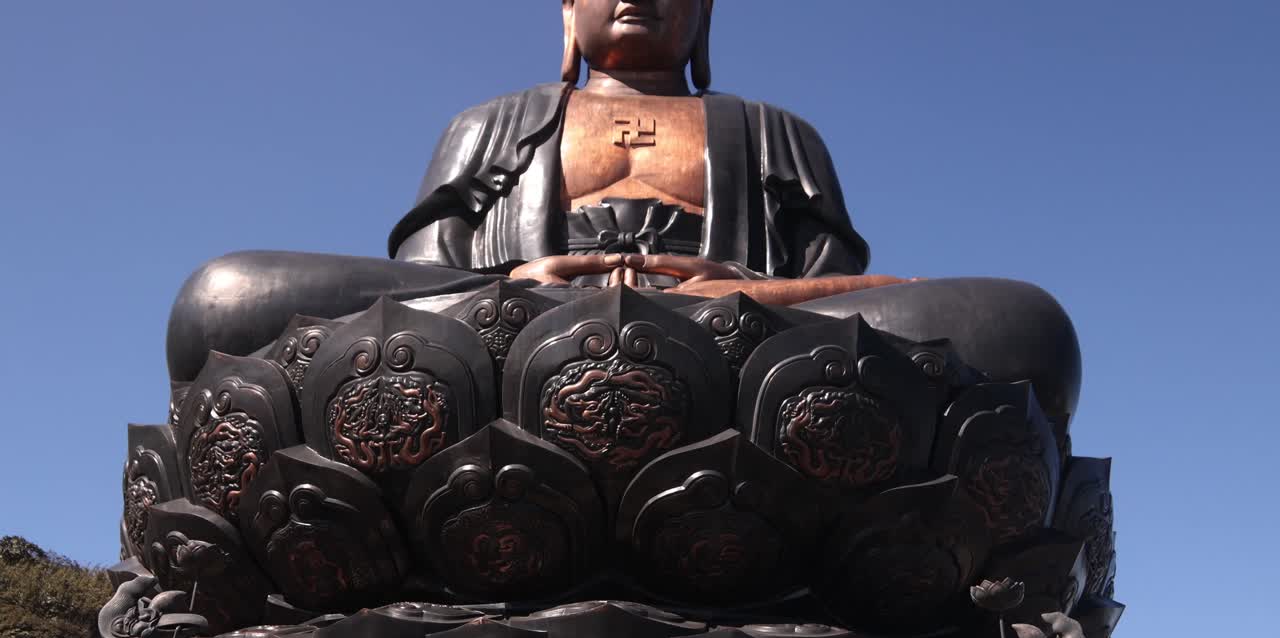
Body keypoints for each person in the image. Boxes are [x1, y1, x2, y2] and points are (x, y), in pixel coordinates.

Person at [167, 0, 1079, 422]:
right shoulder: (494, 121)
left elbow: (834, 284)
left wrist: (744, 292)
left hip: (743, 341)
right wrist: (518, 281)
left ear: (705, 16)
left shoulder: (772, 130)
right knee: (228, 295)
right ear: (567, 14)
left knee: (1012, 323)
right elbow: (424, 270)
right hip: (510, 327)